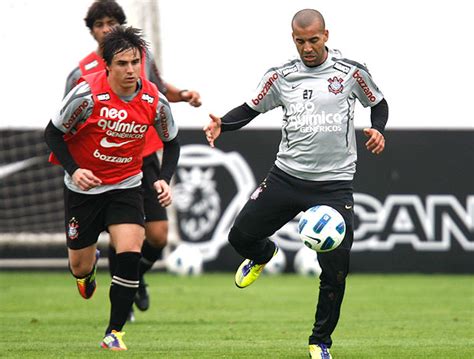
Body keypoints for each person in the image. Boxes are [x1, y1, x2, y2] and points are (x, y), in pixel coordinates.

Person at [203, 9, 388, 359]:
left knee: (335, 272)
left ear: (326, 36)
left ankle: (320, 342)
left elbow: (378, 104)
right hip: (286, 177)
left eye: (313, 40)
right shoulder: (282, 76)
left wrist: (379, 129)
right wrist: (222, 125)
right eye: (301, 41)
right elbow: (250, 108)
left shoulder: (350, 72)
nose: (307, 47)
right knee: (239, 237)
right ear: (293, 39)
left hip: (334, 185)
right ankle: (264, 254)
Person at [45, 26, 180, 350]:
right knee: (79, 264)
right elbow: (52, 134)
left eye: (135, 62)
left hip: (126, 185)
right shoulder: (86, 95)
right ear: (107, 66)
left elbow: (172, 142)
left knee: (130, 253)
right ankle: (86, 274)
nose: (130, 69)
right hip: (84, 190)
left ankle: (114, 332)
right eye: (122, 63)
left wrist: (163, 177)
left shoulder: (152, 100)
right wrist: (75, 171)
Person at [65, 0, 201, 320]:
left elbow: (157, 85)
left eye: (112, 22)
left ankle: (133, 279)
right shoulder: (80, 75)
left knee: (157, 236)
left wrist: (181, 95)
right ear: (92, 31)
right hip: (100, 166)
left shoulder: (141, 58)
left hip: (142, 157)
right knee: (100, 250)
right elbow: (64, 123)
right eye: (100, 24)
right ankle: (118, 286)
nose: (106, 28)